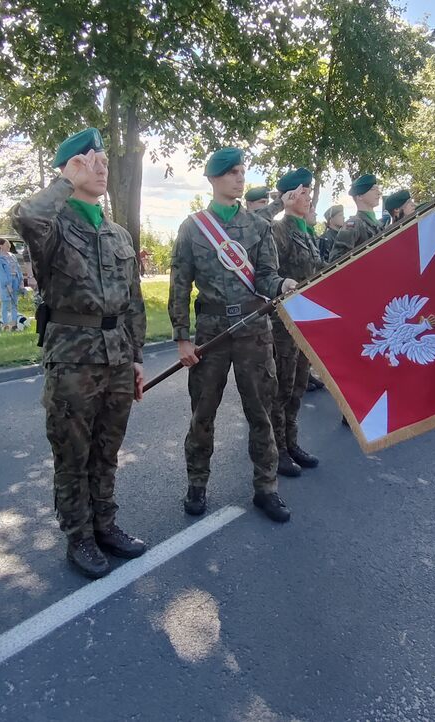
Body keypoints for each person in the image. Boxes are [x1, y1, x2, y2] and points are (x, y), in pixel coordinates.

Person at [11, 128, 148, 580]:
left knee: (107, 450)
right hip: (72, 358)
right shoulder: (52, 227)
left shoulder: (118, 234)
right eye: (90, 160)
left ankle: (105, 524)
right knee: (73, 454)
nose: (101, 167)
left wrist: (137, 357)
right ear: (70, 167)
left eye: (104, 160)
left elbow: (132, 302)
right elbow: (25, 217)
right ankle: (79, 536)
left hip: (117, 356)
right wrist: (65, 180)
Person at [168, 147, 299, 523]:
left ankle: (266, 487)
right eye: (232, 172)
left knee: (262, 412)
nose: (240, 178)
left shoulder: (258, 226)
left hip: (253, 329)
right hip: (211, 332)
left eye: (242, 171)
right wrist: (182, 338)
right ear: (213, 179)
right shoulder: (193, 228)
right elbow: (180, 285)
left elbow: (266, 277)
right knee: (202, 413)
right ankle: (197, 484)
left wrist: (282, 284)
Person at [268, 168, 320, 478]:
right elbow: (268, 273)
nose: (309, 197)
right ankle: (278, 450)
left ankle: (292, 441)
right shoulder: (279, 230)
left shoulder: (308, 231)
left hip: (306, 320)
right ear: (289, 196)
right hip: (284, 323)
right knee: (282, 388)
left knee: (299, 384)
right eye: (304, 192)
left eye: (309, 192)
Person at [329, 174, 382, 261]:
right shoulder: (353, 225)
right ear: (359, 196)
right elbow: (337, 260)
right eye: (373, 189)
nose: (379, 193)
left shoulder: (379, 225)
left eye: (378, 189)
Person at [0, 239, 25, 331]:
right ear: (1, 246)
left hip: (15, 280)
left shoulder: (12, 256)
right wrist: (7, 284)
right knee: (5, 303)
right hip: (5, 283)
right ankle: (5, 325)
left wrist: (21, 280)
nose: (9, 247)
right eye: (7, 245)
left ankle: (14, 324)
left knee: (15, 302)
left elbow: (18, 268)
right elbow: (0, 273)